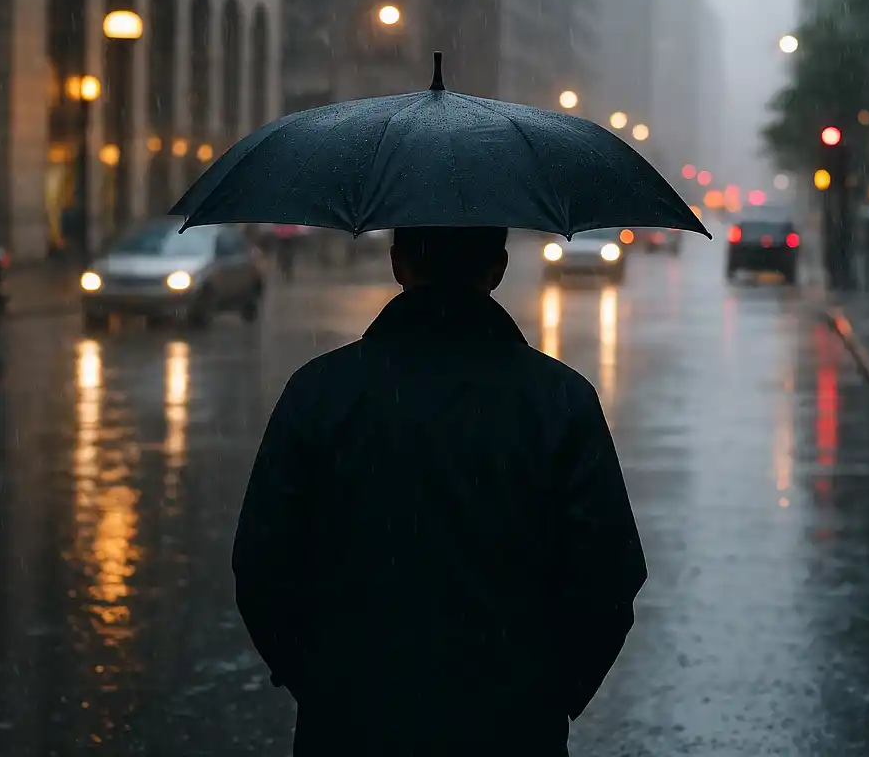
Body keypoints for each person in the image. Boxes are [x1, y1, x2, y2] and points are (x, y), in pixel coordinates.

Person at [232, 226, 646, 757]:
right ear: (497, 269)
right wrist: (547, 690)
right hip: (509, 725)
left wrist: (321, 681)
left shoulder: (319, 392)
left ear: (398, 264)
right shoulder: (559, 399)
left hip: (353, 723)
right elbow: (609, 577)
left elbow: (263, 565)